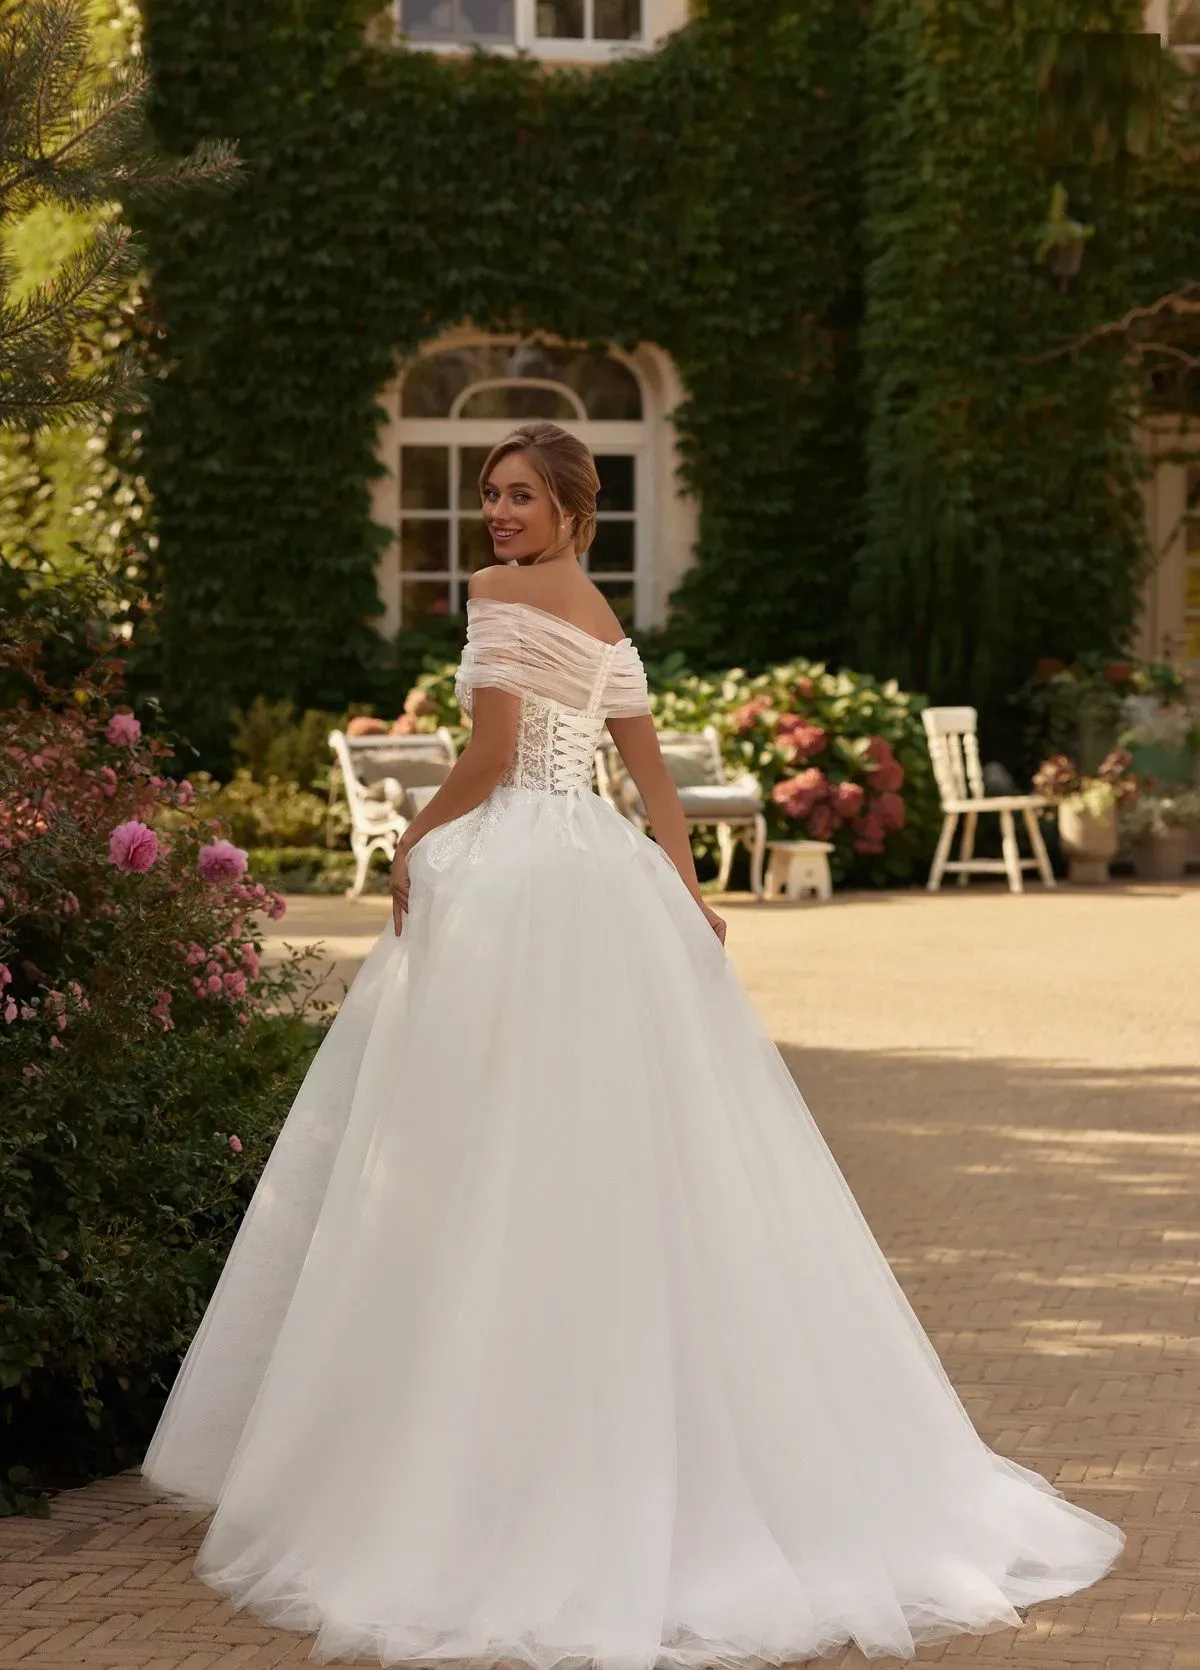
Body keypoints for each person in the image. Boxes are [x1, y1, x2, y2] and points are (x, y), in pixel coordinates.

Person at [143, 422, 1123, 1669]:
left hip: (517, 880)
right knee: (615, 1161)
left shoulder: (499, 598)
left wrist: (410, 840)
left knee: (473, 1154)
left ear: (568, 507)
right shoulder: (605, 617)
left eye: (519, 496)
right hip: (602, 882)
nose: (496, 515)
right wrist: (682, 887)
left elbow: (494, 757)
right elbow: (648, 777)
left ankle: (468, 1459)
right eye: (490, 494)